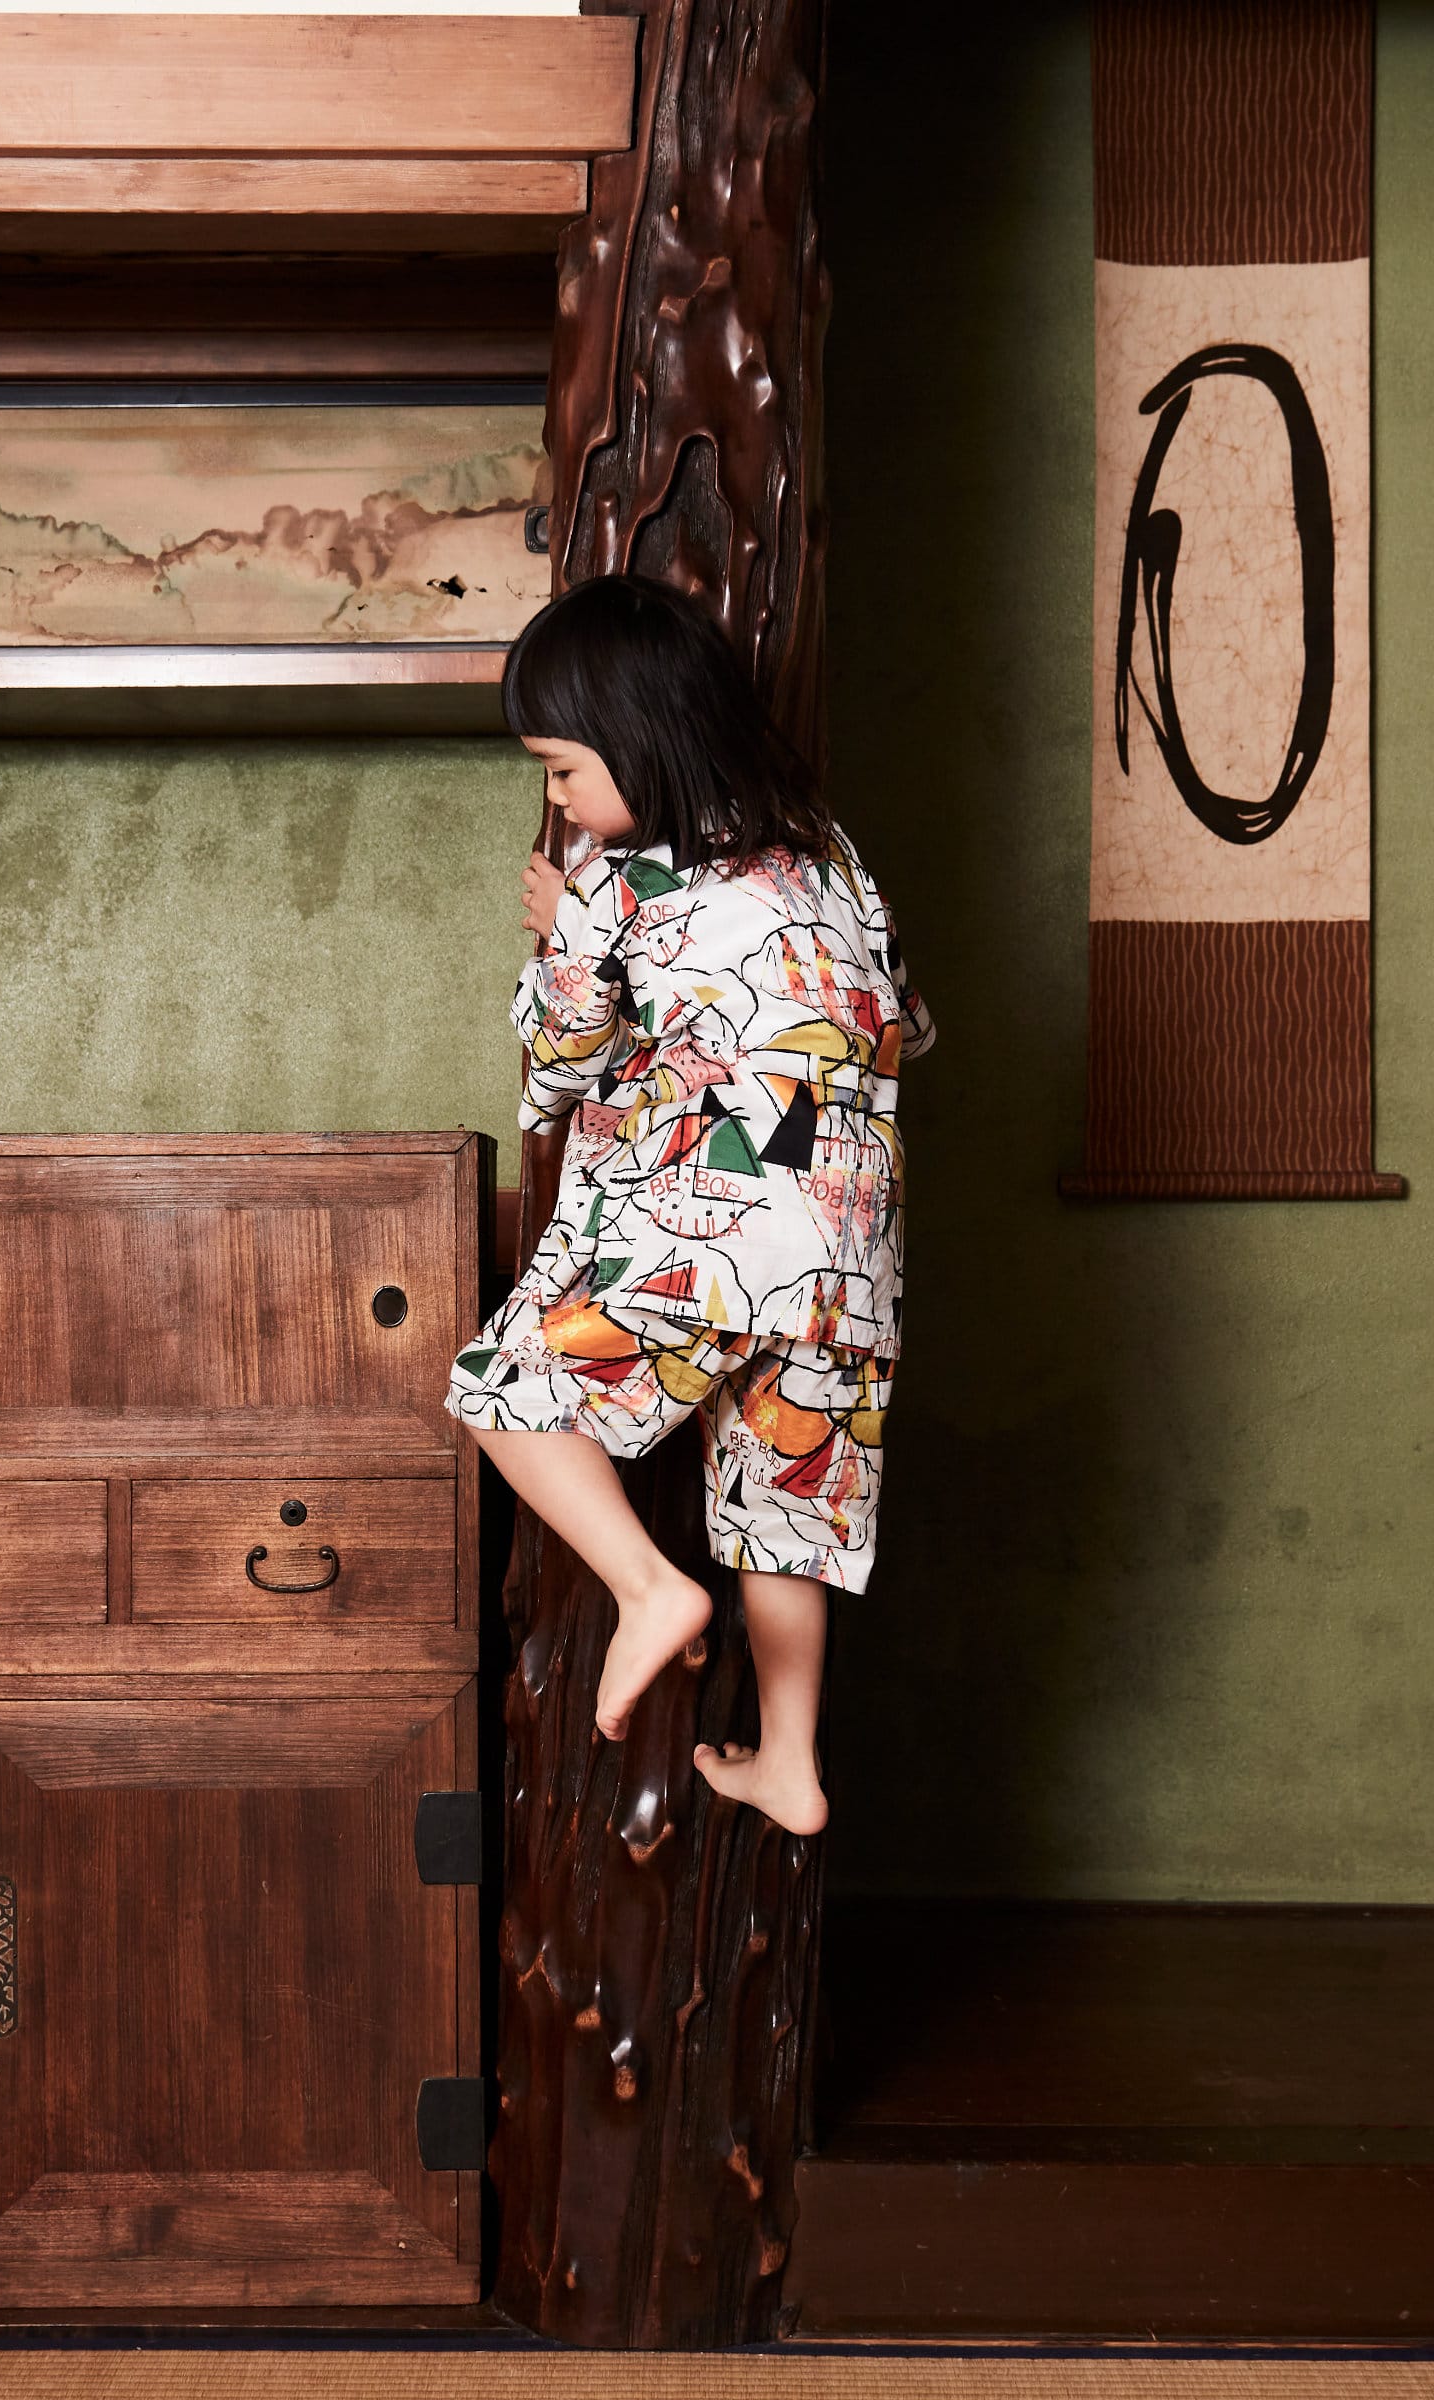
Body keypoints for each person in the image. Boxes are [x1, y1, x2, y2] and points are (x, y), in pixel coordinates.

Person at [446, 573, 933, 1837]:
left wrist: (566, 930)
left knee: (498, 1389)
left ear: (638, 739)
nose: (560, 799)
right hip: (850, 1265)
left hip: (712, 1237)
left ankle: (649, 1588)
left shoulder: (619, 876)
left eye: (563, 769)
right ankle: (790, 1761)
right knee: (786, 1510)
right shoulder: (831, 850)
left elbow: (558, 1066)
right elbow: (910, 1024)